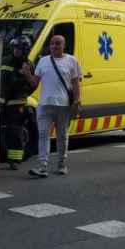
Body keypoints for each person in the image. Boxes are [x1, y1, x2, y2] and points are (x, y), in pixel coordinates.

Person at [22, 35, 82, 177]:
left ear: (64, 46)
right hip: (44, 105)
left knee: (62, 136)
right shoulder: (43, 61)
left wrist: (76, 101)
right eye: (52, 43)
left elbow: (75, 84)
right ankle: (42, 166)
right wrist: (26, 74)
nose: (54, 46)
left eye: (58, 43)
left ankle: (61, 164)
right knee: (43, 135)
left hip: (63, 105)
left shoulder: (72, 61)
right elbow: (34, 83)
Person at [0, 36, 34, 170]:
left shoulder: (28, 65)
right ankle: (0, 156)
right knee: (1, 131)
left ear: (25, 50)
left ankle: (14, 160)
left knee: (15, 131)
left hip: (17, 103)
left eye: (19, 48)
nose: (16, 51)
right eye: (15, 48)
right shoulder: (5, 60)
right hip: (1, 101)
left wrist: (23, 93)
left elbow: (32, 84)